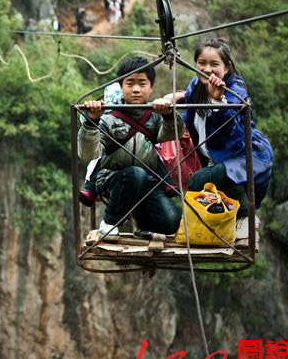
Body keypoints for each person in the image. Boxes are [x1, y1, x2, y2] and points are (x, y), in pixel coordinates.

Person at [78, 56, 184, 238]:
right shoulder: (108, 119)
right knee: (135, 174)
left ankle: (143, 225)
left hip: (147, 183)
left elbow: (173, 133)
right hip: (113, 180)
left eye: (142, 83)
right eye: (130, 83)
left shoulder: (155, 117)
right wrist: (91, 121)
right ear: (121, 87)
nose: (136, 89)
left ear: (151, 87)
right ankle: (110, 222)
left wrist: (168, 115)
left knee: (171, 222)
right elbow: (89, 153)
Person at [166, 39, 273, 217]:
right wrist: (177, 97)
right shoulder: (196, 86)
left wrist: (217, 102)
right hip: (218, 157)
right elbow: (189, 108)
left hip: (246, 153)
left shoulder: (235, 91)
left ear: (227, 67)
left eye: (214, 64)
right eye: (202, 63)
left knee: (205, 179)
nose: (207, 69)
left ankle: (245, 216)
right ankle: (234, 219)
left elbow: (228, 129)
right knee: (205, 186)